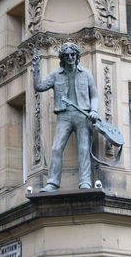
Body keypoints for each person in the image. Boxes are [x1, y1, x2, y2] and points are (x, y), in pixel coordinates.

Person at [32, 42, 99, 191]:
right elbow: (39, 86)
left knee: (83, 149)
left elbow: (94, 96)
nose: (70, 57)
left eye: (72, 55)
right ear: (62, 57)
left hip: (83, 115)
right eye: (67, 55)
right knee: (56, 148)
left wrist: (94, 110)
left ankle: (85, 182)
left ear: (77, 56)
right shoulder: (56, 75)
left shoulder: (86, 74)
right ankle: (52, 183)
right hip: (64, 116)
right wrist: (36, 68)